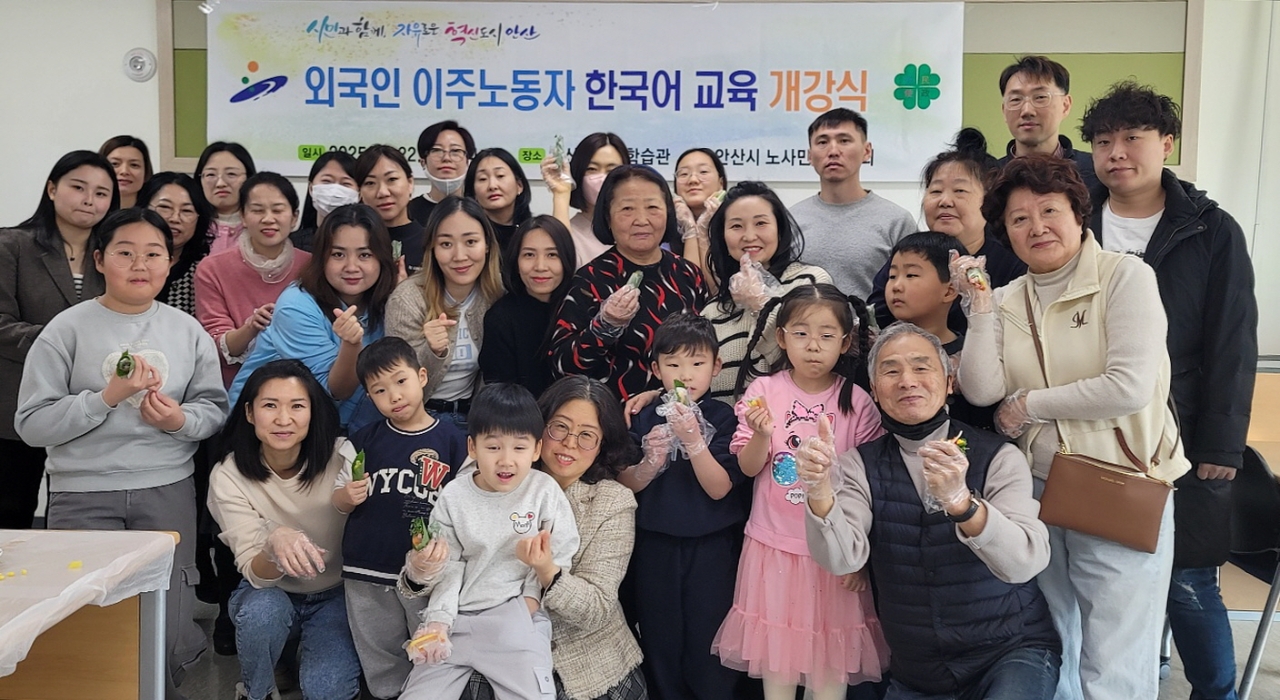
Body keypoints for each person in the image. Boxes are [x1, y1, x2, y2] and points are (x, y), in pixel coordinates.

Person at [955, 155, 1190, 700]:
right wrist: (981, 307)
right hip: (1037, 490)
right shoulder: (1007, 298)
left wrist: (1029, 405)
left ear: (1078, 213)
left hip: (1119, 484)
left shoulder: (1125, 276)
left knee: (1116, 658)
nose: (1036, 227)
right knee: (1055, 640)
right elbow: (983, 390)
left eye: (1049, 211)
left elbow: (1126, 386)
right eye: (1019, 218)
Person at [1081, 81, 1258, 700]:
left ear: (1167, 144)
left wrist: (1222, 444)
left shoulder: (1211, 229)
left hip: (1179, 434)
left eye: (1133, 138)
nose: (1116, 153)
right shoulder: (1074, 220)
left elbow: (1233, 341)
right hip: (1088, 432)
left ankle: (1217, 693)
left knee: (1189, 582)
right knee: (1097, 575)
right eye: (1104, 141)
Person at [15, 208, 228, 692]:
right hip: (82, 494)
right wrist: (104, 399)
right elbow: (31, 424)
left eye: (153, 254)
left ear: (170, 262)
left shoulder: (187, 330)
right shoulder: (65, 330)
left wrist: (178, 421)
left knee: (169, 614)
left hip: (166, 489)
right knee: (85, 617)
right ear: (99, 260)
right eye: (125, 253)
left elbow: (213, 410)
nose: (140, 264)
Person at [800, 322, 1061, 700]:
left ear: (949, 382)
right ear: (874, 390)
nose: (907, 381)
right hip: (918, 672)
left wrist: (962, 504)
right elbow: (842, 559)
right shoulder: (858, 465)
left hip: (1010, 651)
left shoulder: (999, 457)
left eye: (921, 367)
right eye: (891, 371)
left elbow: (1024, 562)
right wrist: (819, 490)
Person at [714, 284, 888, 700]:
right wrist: (761, 435)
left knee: (829, 675)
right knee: (777, 672)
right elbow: (748, 468)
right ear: (781, 337)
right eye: (801, 333)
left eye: (827, 336)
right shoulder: (763, 392)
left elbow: (871, 485)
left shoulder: (858, 401)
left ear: (845, 342)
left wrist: (858, 558)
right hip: (773, 548)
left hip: (834, 552)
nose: (813, 346)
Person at [398, 383, 580, 700]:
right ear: (472, 446)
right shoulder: (454, 496)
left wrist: (529, 601)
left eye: (519, 448)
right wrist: (439, 620)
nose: (506, 460)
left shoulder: (544, 491)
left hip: (515, 617)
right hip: (456, 619)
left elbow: (561, 551)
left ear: (536, 449)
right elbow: (449, 565)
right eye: (493, 447)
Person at [207, 359, 362, 700]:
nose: (283, 419)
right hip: (271, 592)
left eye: (297, 406)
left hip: (337, 592)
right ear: (249, 413)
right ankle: (257, 691)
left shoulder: (342, 456)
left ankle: (295, 656)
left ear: (313, 412)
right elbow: (256, 574)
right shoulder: (229, 475)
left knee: (326, 690)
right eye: (270, 406)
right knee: (262, 612)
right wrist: (272, 544)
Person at [619, 312, 746, 700]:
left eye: (697, 363)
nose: (685, 375)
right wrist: (649, 463)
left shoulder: (724, 417)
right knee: (660, 638)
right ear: (656, 369)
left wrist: (693, 441)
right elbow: (626, 484)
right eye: (673, 364)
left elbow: (720, 489)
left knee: (710, 641)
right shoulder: (642, 416)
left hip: (712, 548)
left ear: (716, 367)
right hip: (654, 545)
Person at [333, 337, 468, 699]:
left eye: (401, 381)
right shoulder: (363, 440)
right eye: (379, 390)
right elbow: (338, 499)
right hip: (366, 566)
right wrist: (346, 496)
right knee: (379, 650)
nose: (393, 395)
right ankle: (387, 694)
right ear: (369, 397)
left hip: (425, 571)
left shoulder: (454, 441)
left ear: (422, 376)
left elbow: (465, 503)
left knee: (429, 644)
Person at [0, 150, 116, 528]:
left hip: (87, 406)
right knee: (11, 516)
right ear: (52, 189)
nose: (89, 199)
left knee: (74, 523)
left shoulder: (112, 254)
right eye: (78, 187)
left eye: (101, 193)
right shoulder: (12, 244)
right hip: (16, 403)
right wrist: (62, 343)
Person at [229, 203, 396, 433]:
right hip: (262, 428)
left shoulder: (388, 300)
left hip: (334, 426)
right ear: (321, 258)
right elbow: (335, 390)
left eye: (365, 255)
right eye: (338, 254)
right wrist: (351, 344)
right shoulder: (295, 306)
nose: (351, 266)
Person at [549, 165, 707, 401]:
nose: (641, 220)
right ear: (607, 217)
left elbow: (706, 353)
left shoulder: (688, 274)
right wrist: (603, 328)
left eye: (652, 207)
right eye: (627, 209)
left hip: (686, 413)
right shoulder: (589, 279)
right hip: (616, 415)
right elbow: (562, 367)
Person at [867, 129, 1026, 330]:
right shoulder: (908, 254)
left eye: (959, 191)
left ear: (989, 200)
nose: (945, 201)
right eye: (935, 191)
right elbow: (877, 317)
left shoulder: (1012, 262)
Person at [702, 181, 832, 403]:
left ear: (779, 230)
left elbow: (810, 362)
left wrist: (760, 303)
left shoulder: (810, 282)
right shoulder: (712, 311)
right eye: (736, 226)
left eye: (761, 223)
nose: (749, 236)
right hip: (727, 425)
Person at [386, 196, 504, 428]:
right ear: (432, 248)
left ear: (487, 245)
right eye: (446, 244)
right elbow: (396, 385)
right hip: (419, 417)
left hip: (476, 418)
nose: (459, 256)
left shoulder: (497, 294)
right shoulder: (407, 299)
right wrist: (432, 351)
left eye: (471, 242)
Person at [196, 172, 312, 388]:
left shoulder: (311, 266)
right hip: (238, 388)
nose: (268, 219)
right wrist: (251, 327)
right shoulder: (212, 269)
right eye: (258, 210)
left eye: (278, 210)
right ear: (243, 216)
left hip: (303, 386)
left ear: (294, 217)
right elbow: (215, 346)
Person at [788, 108, 917, 300]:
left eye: (844, 141)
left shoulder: (896, 221)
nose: (833, 151)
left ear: (867, 151)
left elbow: (913, 290)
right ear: (809, 156)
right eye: (822, 142)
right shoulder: (790, 220)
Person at [880, 232, 998, 432]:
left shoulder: (970, 355)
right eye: (892, 276)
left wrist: (979, 292)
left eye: (911, 275)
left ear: (950, 291)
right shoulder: (881, 351)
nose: (896, 286)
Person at [479, 215, 576, 397]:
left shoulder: (580, 307)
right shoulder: (500, 317)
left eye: (552, 255)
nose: (540, 266)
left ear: (567, 259)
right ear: (516, 261)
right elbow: (500, 395)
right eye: (529, 255)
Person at [995, 56, 1099, 192]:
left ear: (1065, 106)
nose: (1027, 110)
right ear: (1004, 110)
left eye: (1040, 97)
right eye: (1015, 99)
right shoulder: (988, 177)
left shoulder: (1096, 172)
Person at [545, 132, 631, 266]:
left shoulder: (639, 227)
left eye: (611, 170)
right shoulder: (571, 231)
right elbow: (559, 266)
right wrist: (561, 193)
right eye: (592, 169)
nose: (602, 178)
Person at [138, 172, 215, 317]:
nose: (175, 218)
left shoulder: (205, 272)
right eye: (165, 207)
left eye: (186, 211)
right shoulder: (124, 261)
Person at [356, 144, 423, 276]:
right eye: (370, 183)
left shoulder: (431, 242)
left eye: (392, 179)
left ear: (410, 183)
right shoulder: (353, 241)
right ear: (359, 192)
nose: (382, 192)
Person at [671, 147, 729, 276]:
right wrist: (690, 230)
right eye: (684, 174)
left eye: (703, 172)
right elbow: (691, 283)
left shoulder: (734, 223)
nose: (693, 180)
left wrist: (704, 230)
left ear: (721, 183)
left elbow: (715, 286)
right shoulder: (663, 228)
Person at [464, 147, 532, 253]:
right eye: (482, 179)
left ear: (519, 185)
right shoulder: (467, 235)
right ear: (473, 193)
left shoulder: (533, 231)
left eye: (500, 176)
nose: (492, 186)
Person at [410, 120, 476, 226]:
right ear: (423, 162)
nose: (446, 158)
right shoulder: (408, 212)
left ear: (468, 161)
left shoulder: (480, 210)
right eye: (437, 150)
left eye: (455, 151)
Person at [195, 141, 257, 255]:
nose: (220, 183)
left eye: (231, 174)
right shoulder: (190, 224)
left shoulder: (260, 224)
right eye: (211, 174)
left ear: (249, 178)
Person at [292, 151, 359, 252]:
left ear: (359, 193)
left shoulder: (371, 241)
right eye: (327, 181)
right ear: (311, 188)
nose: (335, 191)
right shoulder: (292, 245)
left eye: (345, 183)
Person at [100, 134, 152, 209]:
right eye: (115, 164)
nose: (124, 171)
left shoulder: (155, 214)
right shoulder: (87, 210)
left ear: (146, 173)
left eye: (134, 165)